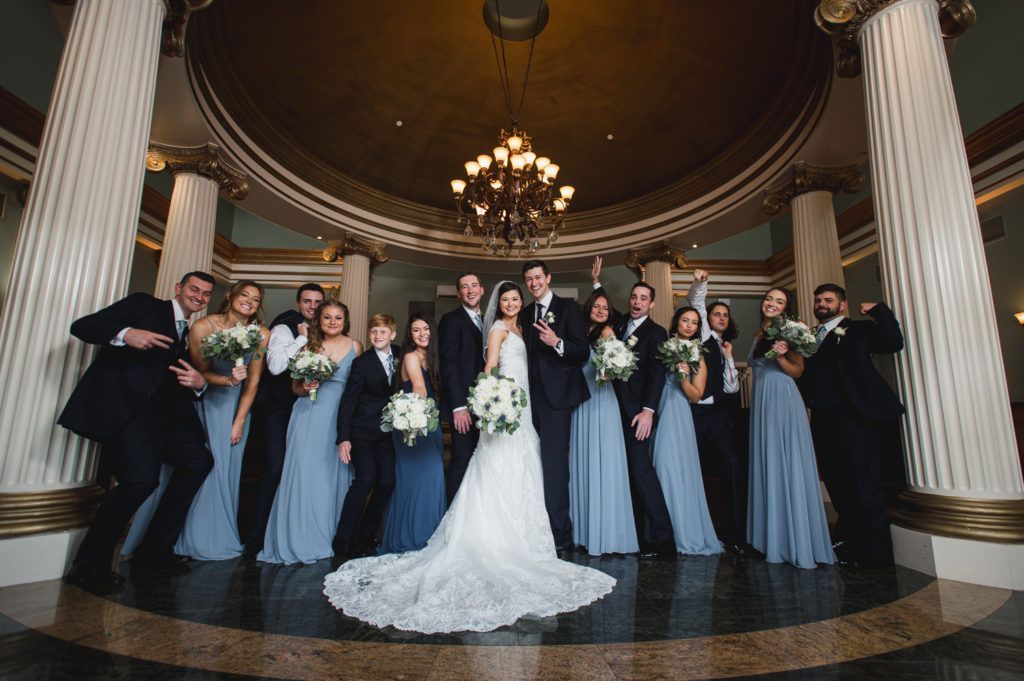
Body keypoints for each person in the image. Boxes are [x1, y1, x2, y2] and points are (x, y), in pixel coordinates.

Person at [323, 281, 615, 634]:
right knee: (493, 468)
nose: (509, 303)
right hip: (504, 408)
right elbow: (489, 367)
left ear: (521, 302)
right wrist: (493, 402)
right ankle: (489, 538)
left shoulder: (523, 328)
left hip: (523, 413)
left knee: (525, 468)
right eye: (504, 299)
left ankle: (524, 540)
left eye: (514, 299)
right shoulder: (495, 329)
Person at [59, 272, 215, 589]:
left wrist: (200, 385)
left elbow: (181, 375)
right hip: (132, 413)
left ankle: (155, 550)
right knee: (140, 480)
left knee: (199, 461)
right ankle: (87, 566)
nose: (199, 296)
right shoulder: (145, 305)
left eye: (205, 293)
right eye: (194, 289)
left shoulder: (189, 332)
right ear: (179, 289)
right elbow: (83, 326)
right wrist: (125, 333)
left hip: (166, 418)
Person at [122, 280, 269, 560]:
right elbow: (197, 374)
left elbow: (254, 381)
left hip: (236, 409)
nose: (249, 301)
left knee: (225, 471)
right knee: (197, 467)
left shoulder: (261, 333)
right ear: (231, 296)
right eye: (244, 295)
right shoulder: (203, 327)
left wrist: (240, 420)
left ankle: (214, 535)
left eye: (255, 298)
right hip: (204, 405)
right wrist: (226, 379)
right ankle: (173, 538)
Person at [801, 283, 904, 568]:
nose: (822, 303)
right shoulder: (809, 336)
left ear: (842, 305)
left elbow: (893, 342)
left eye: (828, 300)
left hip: (857, 417)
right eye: (818, 299)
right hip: (823, 418)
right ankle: (851, 542)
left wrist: (880, 311)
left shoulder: (858, 329)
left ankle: (877, 554)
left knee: (864, 484)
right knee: (838, 484)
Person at [258, 301, 359, 564]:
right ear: (320, 320)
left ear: (344, 320)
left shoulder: (356, 346)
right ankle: (299, 536)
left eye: (338, 317)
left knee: (331, 473)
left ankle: (329, 535)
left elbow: (358, 387)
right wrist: (307, 386)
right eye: (327, 317)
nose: (333, 321)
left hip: (339, 417)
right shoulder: (307, 346)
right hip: (309, 414)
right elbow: (294, 388)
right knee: (304, 473)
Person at [747, 287, 835, 569]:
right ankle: (770, 537)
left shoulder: (790, 330)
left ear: (786, 308)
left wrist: (783, 356)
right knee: (768, 463)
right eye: (769, 299)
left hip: (781, 398)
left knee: (784, 463)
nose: (771, 303)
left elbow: (799, 371)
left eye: (779, 301)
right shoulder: (761, 330)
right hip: (762, 401)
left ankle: (793, 540)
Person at [246, 283, 325, 555]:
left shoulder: (321, 330)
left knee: (298, 472)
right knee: (274, 469)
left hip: (303, 411)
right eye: (307, 301)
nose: (313, 306)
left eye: (317, 302)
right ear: (298, 301)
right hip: (276, 410)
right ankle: (254, 536)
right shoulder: (284, 327)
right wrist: (300, 340)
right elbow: (277, 367)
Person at [520, 260, 591, 553]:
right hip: (527, 401)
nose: (534, 283)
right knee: (529, 465)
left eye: (538, 277)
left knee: (554, 466)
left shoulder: (569, 308)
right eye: (528, 279)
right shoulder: (523, 314)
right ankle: (532, 530)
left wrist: (557, 341)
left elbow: (583, 352)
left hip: (556, 399)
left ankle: (560, 536)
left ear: (548, 278)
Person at [568, 288, 639, 555]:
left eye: (605, 308)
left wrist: (609, 372)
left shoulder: (608, 332)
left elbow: (615, 368)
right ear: (589, 307)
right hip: (581, 401)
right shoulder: (582, 330)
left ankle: (606, 533)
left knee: (602, 462)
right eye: (596, 306)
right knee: (584, 462)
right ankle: (584, 531)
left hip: (601, 400)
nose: (600, 311)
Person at [650, 306, 723, 555]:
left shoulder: (698, 355)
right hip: (654, 410)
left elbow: (696, 396)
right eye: (685, 320)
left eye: (694, 322)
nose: (689, 325)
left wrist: (682, 377)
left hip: (676, 413)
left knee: (669, 468)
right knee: (653, 468)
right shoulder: (663, 345)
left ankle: (680, 532)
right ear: (676, 321)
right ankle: (656, 532)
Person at [612, 282, 676, 559]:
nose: (637, 302)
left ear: (651, 304)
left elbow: (656, 374)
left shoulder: (656, 332)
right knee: (627, 471)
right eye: (634, 296)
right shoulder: (620, 326)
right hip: (616, 411)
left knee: (641, 470)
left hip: (639, 413)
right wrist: (597, 283)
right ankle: (639, 536)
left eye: (643, 298)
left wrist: (649, 410)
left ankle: (663, 540)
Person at [331, 313, 400, 560]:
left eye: (382, 332)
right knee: (366, 479)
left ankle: (366, 533)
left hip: (386, 433)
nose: (377, 336)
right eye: (373, 332)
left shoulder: (400, 357)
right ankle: (343, 539)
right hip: (362, 431)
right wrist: (344, 437)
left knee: (387, 482)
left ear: (392, 334)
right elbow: (348, 401)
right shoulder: (361, 363)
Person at [686, 269, 746, 553]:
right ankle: (692, 527)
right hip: (696, 414)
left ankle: (736, 534)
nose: (721, 317)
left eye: (725, 315)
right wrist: (701, 283)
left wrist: (730, 357)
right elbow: (696, 302)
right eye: (716, 314)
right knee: (690, 467)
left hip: (721, 417)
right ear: (708, 320)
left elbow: (733, 389)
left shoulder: (725, 346)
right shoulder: (705, 335)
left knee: (733, 464)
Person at [377, 312, 446, 554]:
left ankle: (428, 535)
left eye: (425, 328)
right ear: (409, 334)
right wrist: (419, 413)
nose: (421, 334)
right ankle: (413, 537)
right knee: (423, 478)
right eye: (416, 330)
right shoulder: (410, 356)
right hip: (413, 424)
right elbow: (418, 386)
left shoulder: (433, 357)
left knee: (434, 477)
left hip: (430, 423)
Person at [438, 272, 485, 503]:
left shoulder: (488, 321)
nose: (470, 290)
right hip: (463, 408)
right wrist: (458, 406)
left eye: (474, 285)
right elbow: (449, 364)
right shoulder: (451, 320)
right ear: (459, 293)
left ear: (482, 290)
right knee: (462, 459)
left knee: (483, 461)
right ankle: (451, 519)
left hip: (486, 406)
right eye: (465, 287)